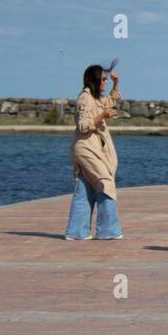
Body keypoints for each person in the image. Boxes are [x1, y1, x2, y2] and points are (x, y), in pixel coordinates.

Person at [64, 64, 123, 241]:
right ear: (94, 80)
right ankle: (108, 230)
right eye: (103, 79)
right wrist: (102, 117)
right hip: (86, 148)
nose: (105, 82)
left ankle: (76, 232)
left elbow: (112, 100)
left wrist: (116, 83)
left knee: (86, 188)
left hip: (93, 147)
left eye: (106, 79)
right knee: (105, 183)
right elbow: (83, 126)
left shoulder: (96, 98)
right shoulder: (85, 98)